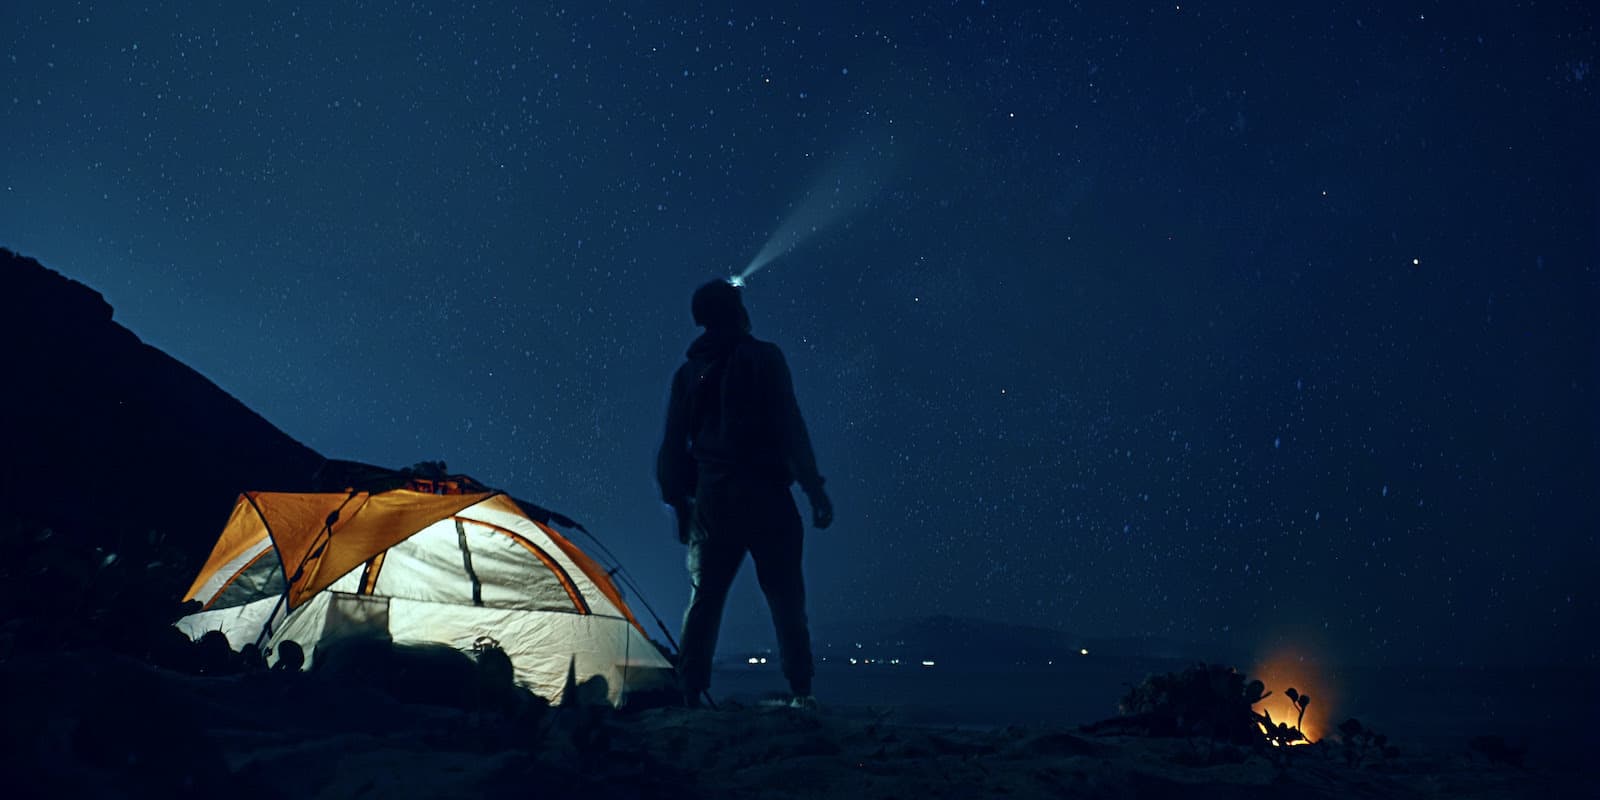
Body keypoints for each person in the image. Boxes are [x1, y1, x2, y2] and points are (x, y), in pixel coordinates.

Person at [657, 278, 833, 708]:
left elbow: (673, 444)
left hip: (713, 499)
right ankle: (801, 691)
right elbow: (791, 425)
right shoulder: (765, 358)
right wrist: (813, 488)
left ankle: (690, 690)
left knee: (705, 599)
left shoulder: (687, 373)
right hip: (768, 493)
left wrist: (679, 502)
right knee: (786, 595)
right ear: (736, 311)